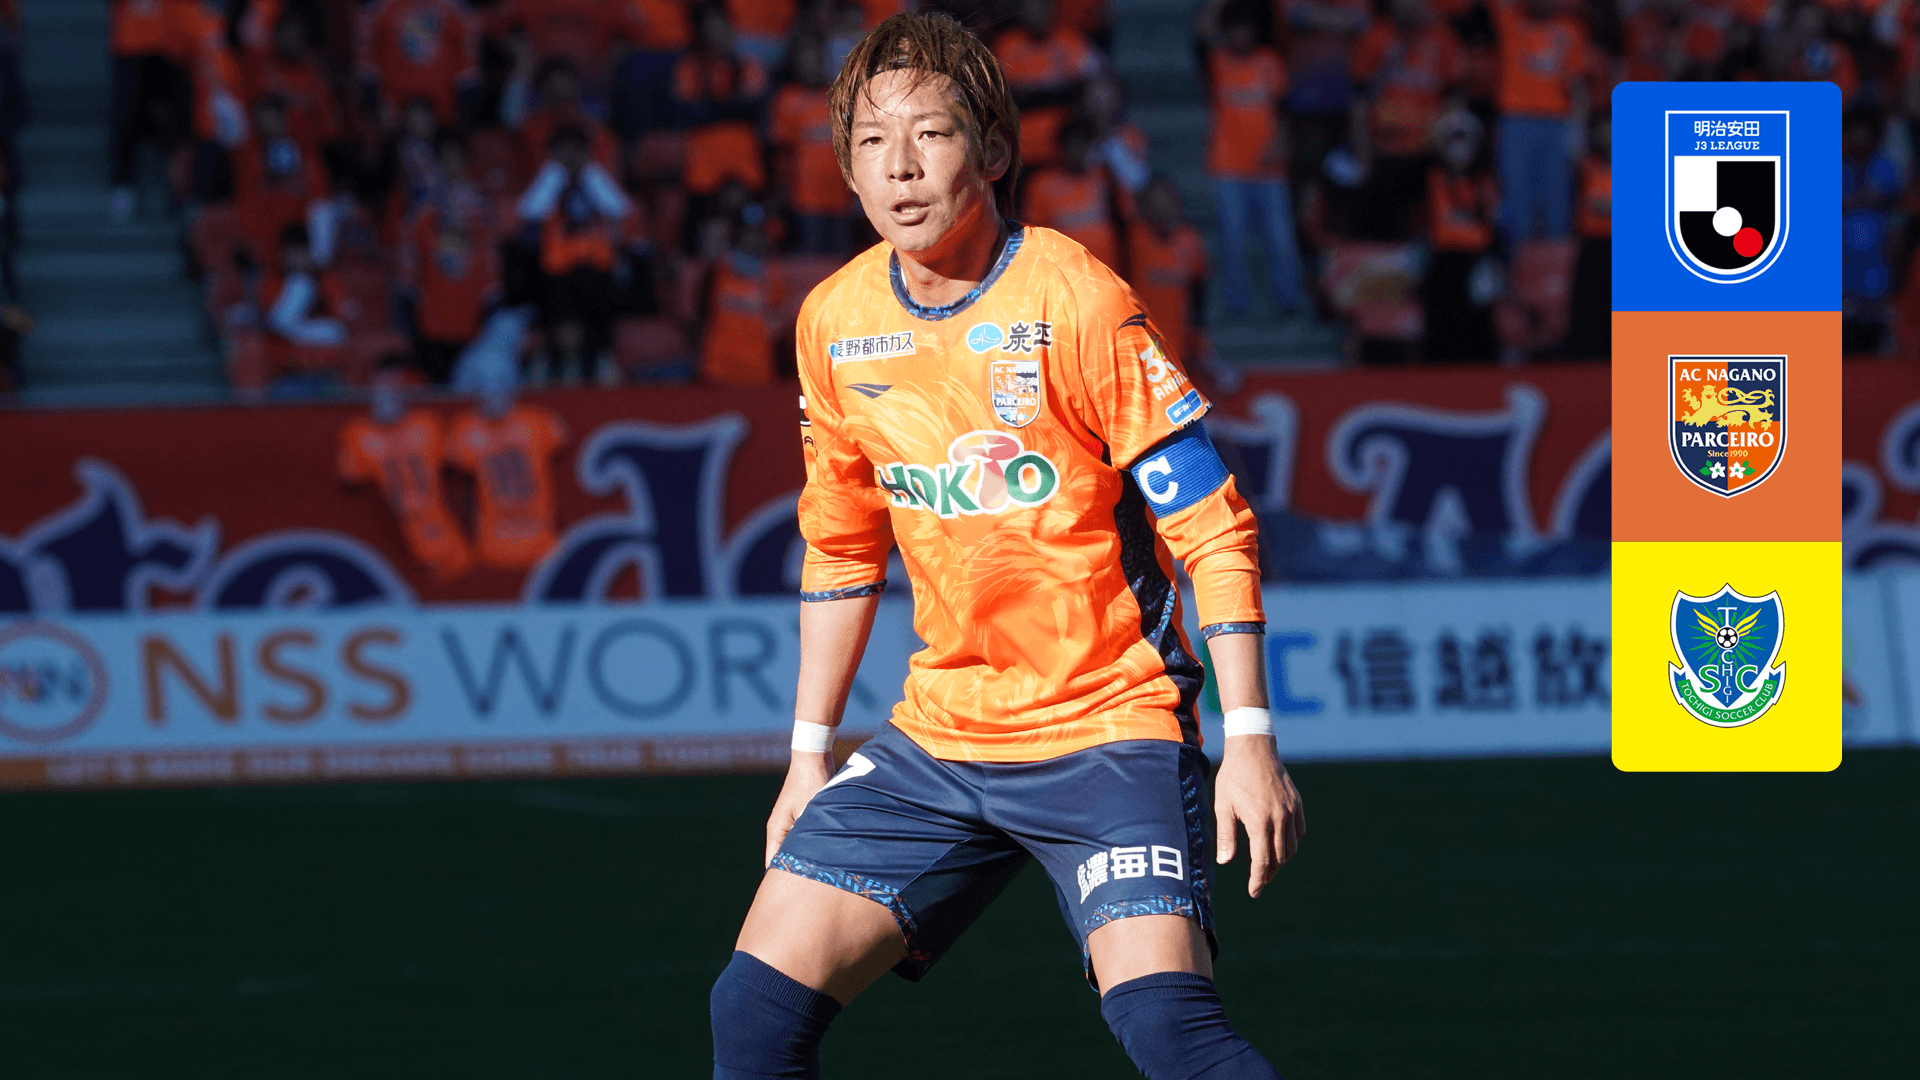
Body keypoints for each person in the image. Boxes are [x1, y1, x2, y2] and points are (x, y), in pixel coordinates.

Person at [709, 14, 1302, 1080]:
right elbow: (841, 549)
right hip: (941, 737)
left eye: (929, 134)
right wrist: (806, 756)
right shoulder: (833, 321)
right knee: (752, 1013)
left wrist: (1250, 737)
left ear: (990, 150)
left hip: (1109, 727)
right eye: (871, 143)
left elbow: (1212, 525)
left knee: (1169, 1031)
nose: (899, 167)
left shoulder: (1077, 298)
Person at [1199, 0, 1306, 317]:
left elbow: (1286, 110)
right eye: (1234, 29)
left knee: (1281, 241)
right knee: (1232, 243)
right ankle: (1237, 304)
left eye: (1246, 29)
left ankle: (1288, 301)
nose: (1241, 36)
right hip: (1228, 167)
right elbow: (1201, 32)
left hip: (1269, 169)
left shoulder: (1270, 62)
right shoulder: (1216, 62)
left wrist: (1281, 143)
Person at [1487, 0, 1589, 247]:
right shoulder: (1509, 20)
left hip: (1557, 123)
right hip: (1516, 121)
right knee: (1516, 196)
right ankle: (1516, 261)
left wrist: (1578, 128)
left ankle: (1556, 264)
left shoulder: (1570, 29)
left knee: (1557, 198)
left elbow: (1577, 84)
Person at [772, 34, 855, 256]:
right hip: (805, 197)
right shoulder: (787, 99)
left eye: (816, 58)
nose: (811, 65)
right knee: (811, 261)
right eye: (805, 59)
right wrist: (783, 189)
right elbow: (782, 151)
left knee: (841, 262)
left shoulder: (840, 96)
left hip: (841, 195)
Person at [1127, 175, 1211, 367]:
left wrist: (1197, 330)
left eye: (1166, 201)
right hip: (1140, 339)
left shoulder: (1190, 239)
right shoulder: (1134, 238)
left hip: (1179, 338)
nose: (1161, 209)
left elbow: (1199, 289)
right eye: (1155, 203)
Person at [1021, 116, 1123, 271]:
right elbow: (1034, 235)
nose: (1079, 153)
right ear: (1061, 149)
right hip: (1065, 273)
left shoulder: (1105, 176)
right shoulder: (1041, 184)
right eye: (1074, 146)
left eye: (1084, 146)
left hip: (1107, 272)